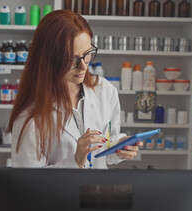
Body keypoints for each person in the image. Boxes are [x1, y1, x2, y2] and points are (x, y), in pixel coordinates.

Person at [7, 9, 140, 169]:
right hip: (60, 195)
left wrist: (118, 148)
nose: (84, 66)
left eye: (87, 54)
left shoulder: (105, 90)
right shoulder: (29, 118)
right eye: (71, 59)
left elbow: (106, 151)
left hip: (99, 191)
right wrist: (75, 161)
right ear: (48, 59)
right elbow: (29, 185)